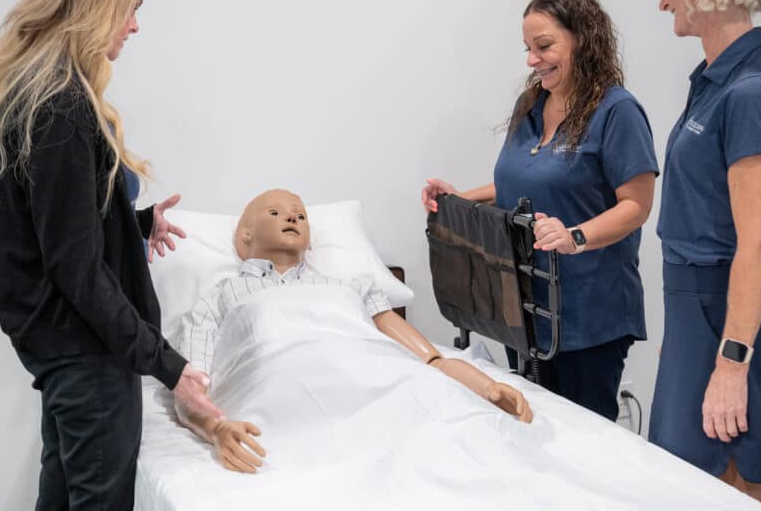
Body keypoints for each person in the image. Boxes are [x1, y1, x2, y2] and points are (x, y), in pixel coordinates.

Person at [0, 0, 220, 511]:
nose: (135, 26)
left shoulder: (35, 94)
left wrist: (133, 224)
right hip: (88, 356)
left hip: (67, 353)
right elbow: (76, 267)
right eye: (131, 8)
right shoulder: (60, 107)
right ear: (95, 3)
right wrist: (170, 366)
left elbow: (57, 228)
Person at [422, 0, 658, 421]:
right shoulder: (531, 106)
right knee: (530, 431)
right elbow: (519, 184)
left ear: (582, 39)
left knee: (583, 440)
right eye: (528, 48)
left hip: (589, 313)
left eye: (544, 45)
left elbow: (636, 206)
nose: (533, 59)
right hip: (524, 305)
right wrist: (458, 198)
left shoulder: (617, 111)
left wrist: (575, 237)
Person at [173, 188, 533, 473]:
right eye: (276, 212)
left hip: (381, 390)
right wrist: (215, 428)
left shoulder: (351, 287)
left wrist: (483, 387)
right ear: (244, 233)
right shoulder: (220, 297)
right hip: (284, 407)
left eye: (300, 214)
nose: (292, 217)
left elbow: (430, 360)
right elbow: (190, 385)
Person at [647, 0, 761, 505]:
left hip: (729, 313)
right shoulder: (713, 83)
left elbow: (759, 240)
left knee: (729, 486)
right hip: (696, 309)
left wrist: (732, 363)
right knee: (687, 483)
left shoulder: (752, 92)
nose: (662, 1)